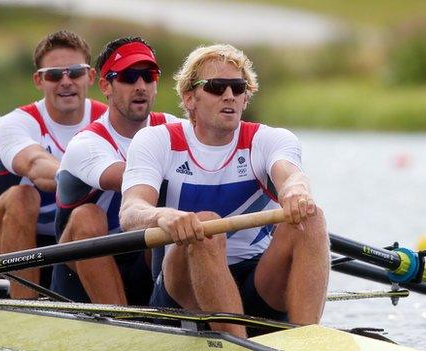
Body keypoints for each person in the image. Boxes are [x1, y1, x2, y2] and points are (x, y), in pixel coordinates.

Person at [119, 44, 329, 336]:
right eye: (216, 87)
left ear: (245, 98)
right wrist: (164, 217)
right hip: (183, 287)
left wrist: (296, 193)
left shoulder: (269, 139)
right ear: (190, 98)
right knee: (205, 224)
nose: (229, 95)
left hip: (257, 281)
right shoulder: (157, 141)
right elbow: (131, 210)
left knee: (311, 216)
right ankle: (236, 340)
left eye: (238, 87)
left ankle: (308, 338)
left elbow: (291, 177)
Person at [0, 30, 107, 299]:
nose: (66, 82)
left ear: (90, 76)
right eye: (55, 75)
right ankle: (25, 307)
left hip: (69, 242)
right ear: (39, 80)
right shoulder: (14, 123)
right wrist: (100, 173)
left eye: (75, 72)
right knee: (23, 196)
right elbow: (36, 166)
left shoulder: (111, 121)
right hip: (1, 248)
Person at [51, 37, 180, 305]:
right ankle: (121, 320)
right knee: (88, 215)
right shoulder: (87, 143)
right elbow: (135, 177)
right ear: (105, 86)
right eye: (129, 77)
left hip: (143, 259)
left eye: (149, 76)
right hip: (79, 272)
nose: (141, 86)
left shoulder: (172, 127)